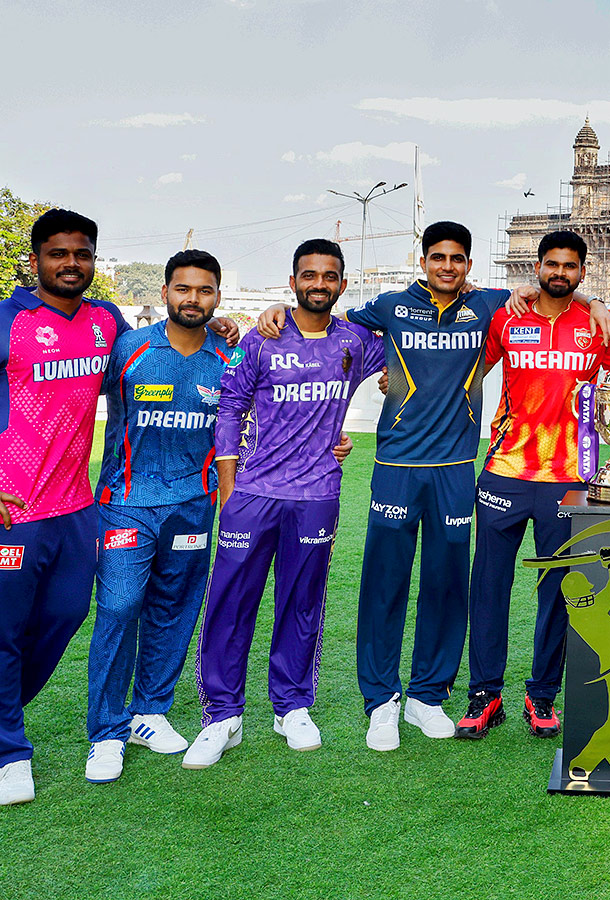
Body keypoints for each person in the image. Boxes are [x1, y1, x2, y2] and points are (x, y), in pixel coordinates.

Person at [306, 221, 610, 750]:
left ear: (469, 265)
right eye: (438, 257)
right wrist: (276, 318)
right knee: (386, 585)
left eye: (457, 259)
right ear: (424, 260)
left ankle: (429, 695)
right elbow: (329, 327)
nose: (447, 266)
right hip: (400, 466)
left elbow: (555, 295)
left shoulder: (495, 305)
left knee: (448, 586)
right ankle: (382, 701)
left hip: (463, 467)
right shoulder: (390, 306)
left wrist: (595, 301)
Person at [182, 239, 382, 769]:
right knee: (230, 603)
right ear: (292, 282)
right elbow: (230, 404)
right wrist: (229, 489)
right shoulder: (263, 336)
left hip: (317, 495)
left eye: (330, 276)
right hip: (253, 494)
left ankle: (291, 706)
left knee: (302, 603)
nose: (319, 284)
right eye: (309, 275)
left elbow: (413, 345)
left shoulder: (356, 340)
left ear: (342, 283)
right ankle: (221, 715)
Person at [454, 231, 610, 740]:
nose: (559, 273)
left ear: (582, 272)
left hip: (570, 477)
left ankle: (542, 695)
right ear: (537, 266)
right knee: (489, 587)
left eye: (569, 266)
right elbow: (469, 371)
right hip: (505, 471)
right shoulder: (508, 315)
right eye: (551, 264)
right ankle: (484, 695)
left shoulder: (596, 324)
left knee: (559, 591)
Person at [0, 210, 131, 805]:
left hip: (78, 509)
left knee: (66, 615)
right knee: (4, 633)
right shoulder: (10, 318)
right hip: (13, 510)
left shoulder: (107, 321)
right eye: (58, 253)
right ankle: (10, 751)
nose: (71, 263)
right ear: (37, 261)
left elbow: (150, 365)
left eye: (82, 253)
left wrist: (225, 332)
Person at [85, 250, 231, 782]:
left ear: (218, 295)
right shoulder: (128, 347)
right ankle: (106, 731)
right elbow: (70, 394)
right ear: (166, 292)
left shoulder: (228, 358)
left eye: (204, 290)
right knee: (121, 607)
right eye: (183, 289)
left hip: (194, 507)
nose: (193, 299)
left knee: (174, 608)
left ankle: (150, 712)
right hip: (126, 501)